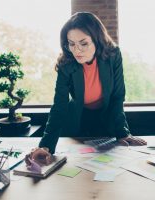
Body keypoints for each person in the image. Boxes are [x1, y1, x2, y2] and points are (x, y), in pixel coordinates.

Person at [25, 12, 147, 166]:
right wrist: (45, 146)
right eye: (71, 43)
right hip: (77, 119)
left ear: (97, 40)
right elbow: (59, 106)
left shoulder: (113, 55)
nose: (77, 50)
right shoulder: (66, 64)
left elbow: (117, 96)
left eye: (84, 43)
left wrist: (123, 133)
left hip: (106, 118)